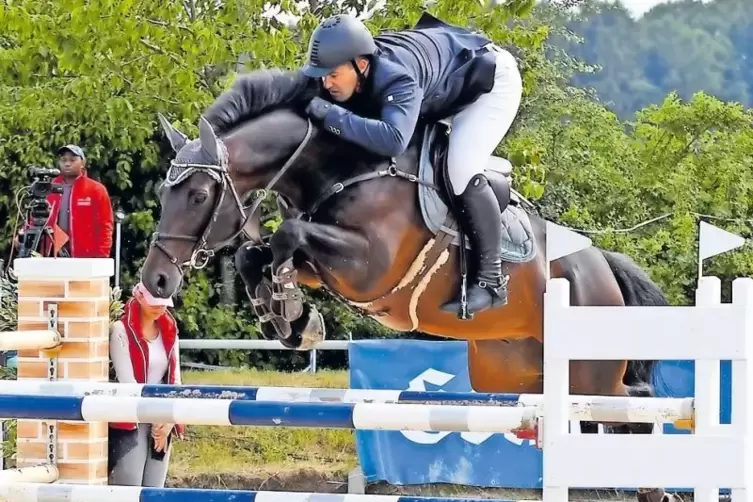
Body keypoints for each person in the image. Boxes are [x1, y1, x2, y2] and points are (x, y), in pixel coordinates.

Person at [202, 12, 522, 317]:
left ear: (362, 64)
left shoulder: (399, 79)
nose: (326, 83)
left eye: (333, 75)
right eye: (322, 75)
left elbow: (393, 139)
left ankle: (490, 280)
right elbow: (256, 89)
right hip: (443, 84)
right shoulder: (338, 71)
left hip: (488, 88)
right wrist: (210, 135)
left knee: (460, 168)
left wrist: (332, 114)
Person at [108, 282, 184, 487]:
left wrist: (169, 420)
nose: (160, 307)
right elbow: (128, 383)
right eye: (154, 303)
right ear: (139, 297)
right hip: (130, 419)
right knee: (129, 486)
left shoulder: (170, 330)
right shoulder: (120, 330)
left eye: (164, 303)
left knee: (155, 488)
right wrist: (158, 416)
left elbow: (175, 378)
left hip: (161, 417)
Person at [21, 145, 114, 258]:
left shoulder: (96, 190)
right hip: (52, 256)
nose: (67, 163)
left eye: (73, 160)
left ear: (83, 162)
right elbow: (36, 218)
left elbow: (105, 226)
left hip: (86, 258)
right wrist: (23, 235)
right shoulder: (48, 188)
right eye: (63, 160)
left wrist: (102, 256)